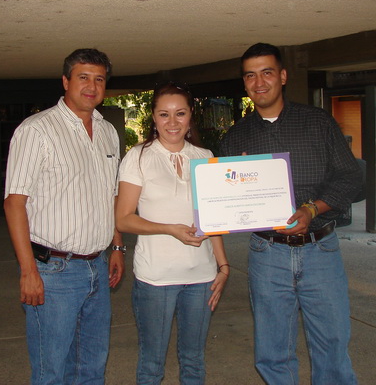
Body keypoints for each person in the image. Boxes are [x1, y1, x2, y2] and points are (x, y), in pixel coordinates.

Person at [219, 43, 361, 385]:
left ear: (282, 76)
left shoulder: (318, 122)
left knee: (332, 343)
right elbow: (225, 199)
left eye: (267, 72)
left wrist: (312, 208)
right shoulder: (235, 137)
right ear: (244, 83)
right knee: (272, 351)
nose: (259, 82)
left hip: (320, 249)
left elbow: (350, 177)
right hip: (267, 253)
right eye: (250, 75)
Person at [4, 48, 125, 385]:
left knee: (92, 367)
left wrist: (117, 246)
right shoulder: (37, 130)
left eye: (99, 79)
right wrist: (29, 271)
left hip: (97, 267)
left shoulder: (107, 131)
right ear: (65, 81)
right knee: (51, 372)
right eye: (83, 77)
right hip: (54, 272)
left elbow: (111, 195)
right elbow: (14, 203)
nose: (92, 86)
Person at [116, 81, 229, 385]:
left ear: (191, 115)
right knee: (152, 363)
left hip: (202, 278)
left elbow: (213, 219)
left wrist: (223, 266)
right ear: (153, 117)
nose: (172, 122)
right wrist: (169, 230)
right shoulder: (138, 157)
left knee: (194, 361)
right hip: (156, 279)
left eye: (180, 113)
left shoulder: (204, 156)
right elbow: (123, 219)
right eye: (164, 114)